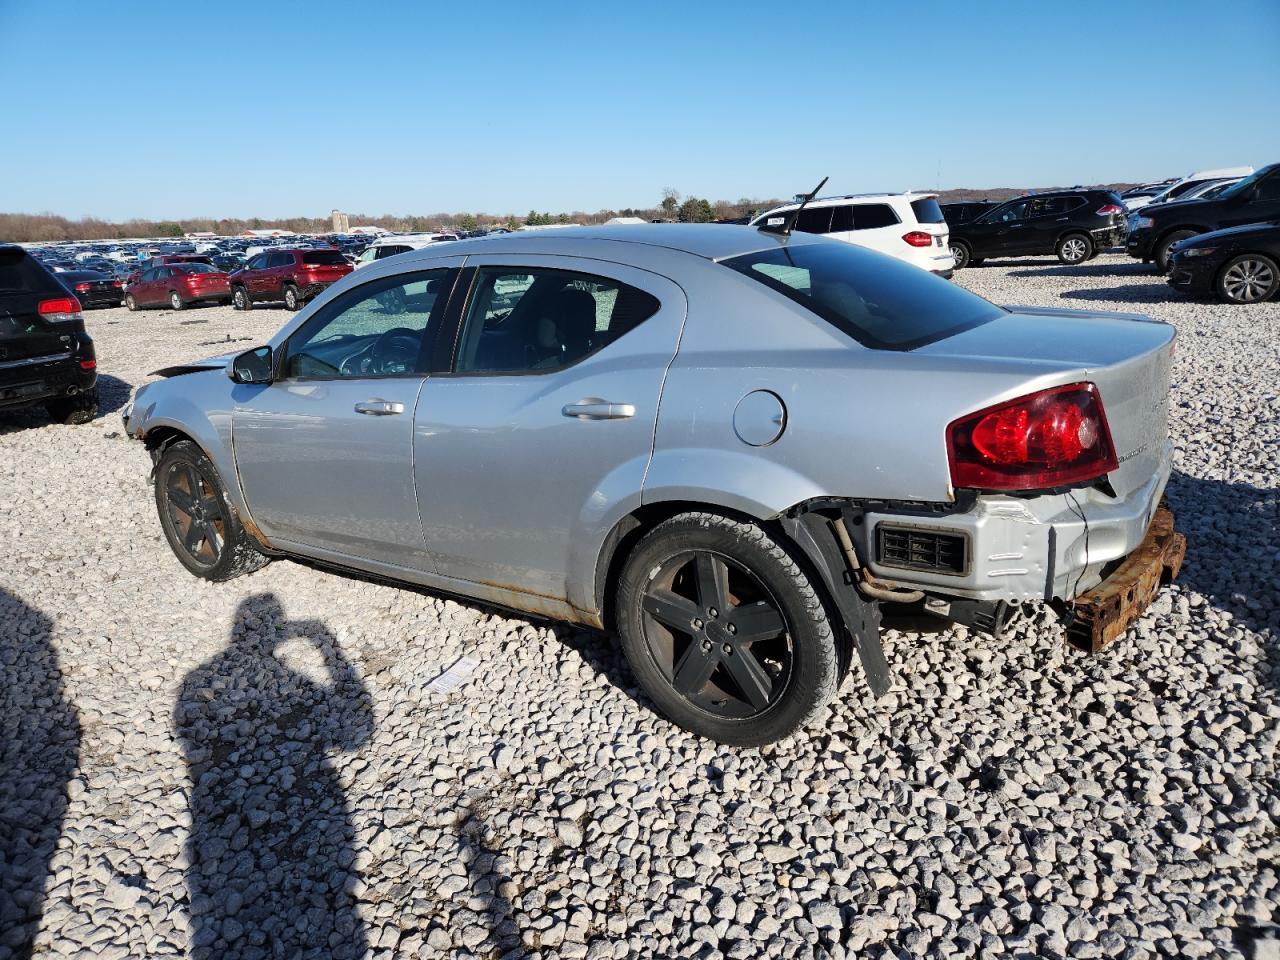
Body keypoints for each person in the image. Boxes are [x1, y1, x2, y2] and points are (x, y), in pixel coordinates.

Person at [175, 594, 373, 959]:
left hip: (209, 844)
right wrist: (327, 646)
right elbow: (356, 735)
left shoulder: (194, 680)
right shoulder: (282, 676)